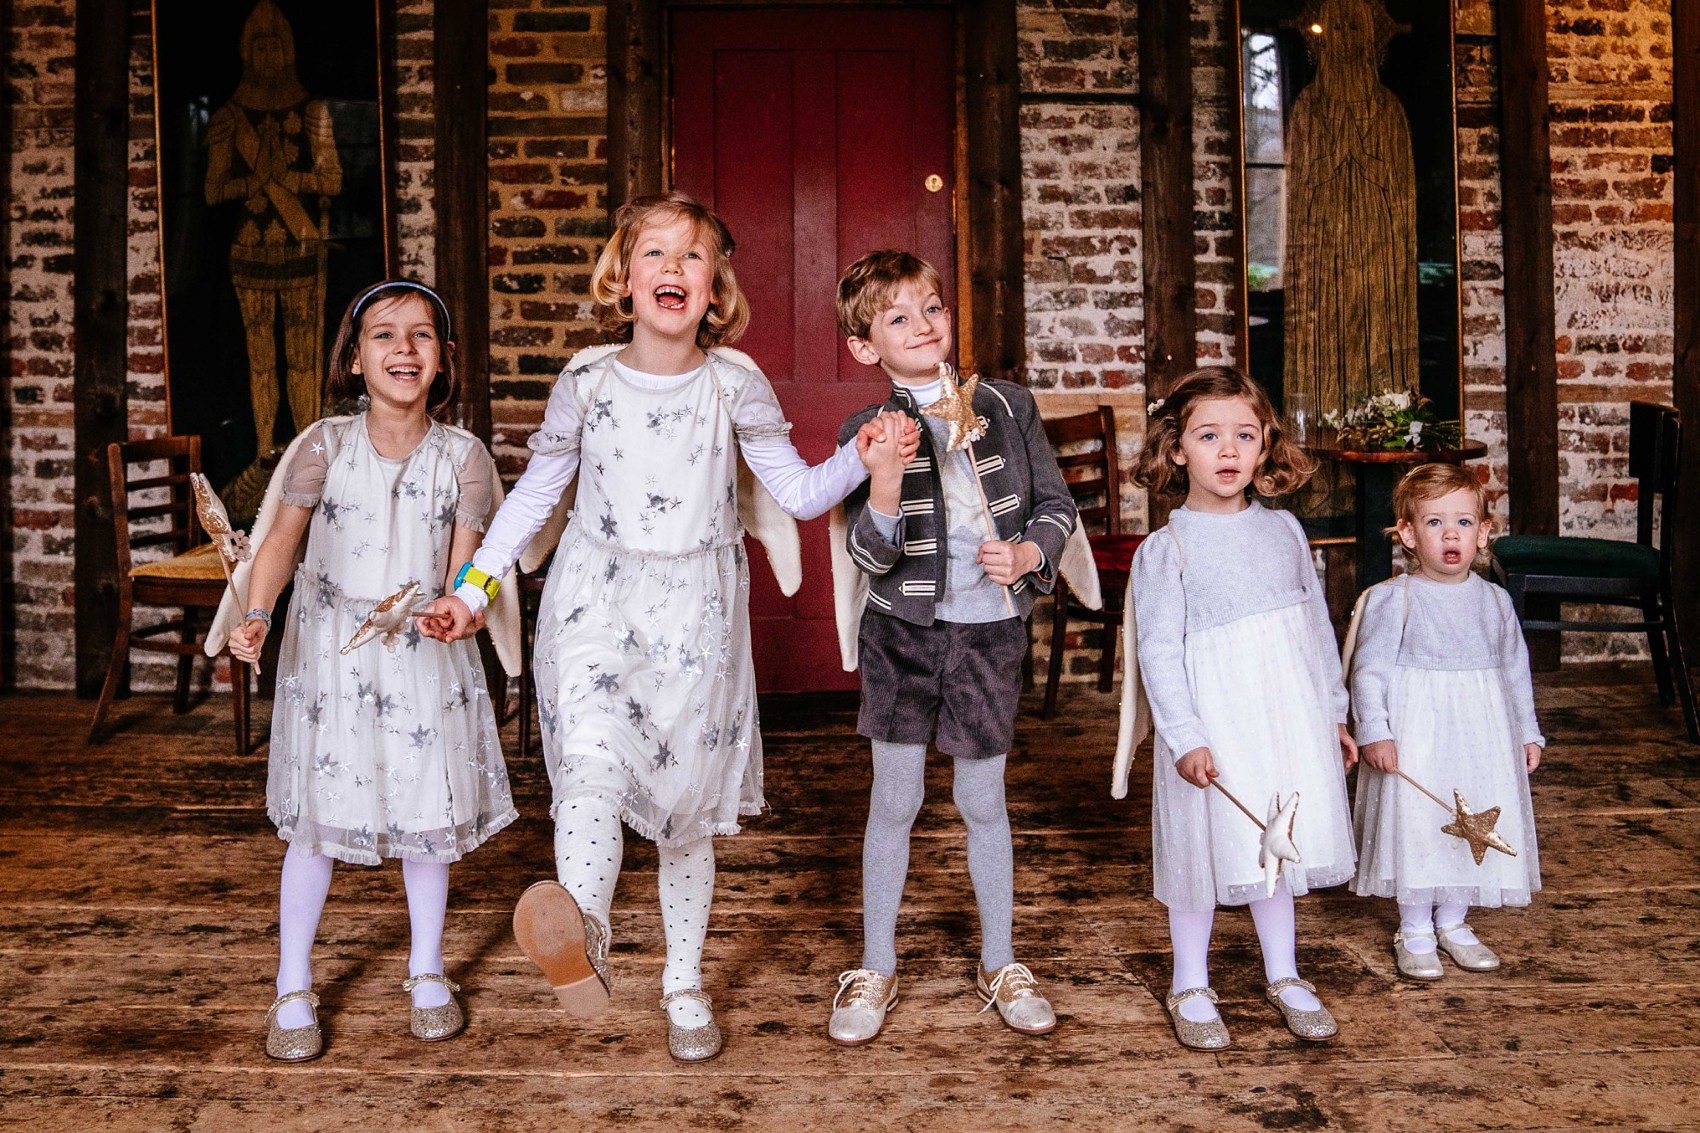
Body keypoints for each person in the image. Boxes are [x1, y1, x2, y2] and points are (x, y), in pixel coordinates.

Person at [427, 192, 915, 1063]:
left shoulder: (735, 383)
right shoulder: (586, 379)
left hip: (696, 614)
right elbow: (535, 498)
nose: (674, 271)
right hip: (596, 598)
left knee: (685, 810)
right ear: (623, 278)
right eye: (655, 254)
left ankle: (683, 981)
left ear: (715, 286)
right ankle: (584, 934)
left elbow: (800, 493)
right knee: (588, 764)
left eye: (693, 258)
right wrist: (469, 588)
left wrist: (864, 457)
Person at [219, 280, 516, 1061]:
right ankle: (292, 980)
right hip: (334, 658)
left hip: (420, 657)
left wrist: (461, 607)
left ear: (444, 360)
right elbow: (280, 541)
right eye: (384, 336)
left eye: (421, 336)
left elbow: (468, 568)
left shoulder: (465, 458)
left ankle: (426, 969)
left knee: (426, 814)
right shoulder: (324, 443)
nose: (404, 350)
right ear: (354, 359)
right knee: (319, 816)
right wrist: (258, 611)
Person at [825, 250, 1077, 1046]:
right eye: (897, 318)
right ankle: (875, 963)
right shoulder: (866, 431)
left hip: (989, 631)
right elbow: (868, 558)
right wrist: (888, 481)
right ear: (867, 348)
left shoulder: (1007, 404)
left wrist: (1031, 555)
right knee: (894, 802)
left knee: (982, 802)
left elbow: (1055, 505)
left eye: (931, 307)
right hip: (901, 634)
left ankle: (999, 959)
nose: (923, 325)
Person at [1126, 366, 1358, 1051]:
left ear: (1265, 448)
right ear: (1176, 449)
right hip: (1212, 722)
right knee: (1202, 849)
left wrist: (1335, 713)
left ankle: (1283, 972)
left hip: (1285, 715)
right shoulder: (1166, 550)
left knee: (1275, 838)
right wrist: (1185, 736)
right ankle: (1190, 980)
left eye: (1244, 436)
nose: (1227, 452)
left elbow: (1317, 628)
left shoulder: (1285, 532)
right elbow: (1160, 654)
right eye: (1208, 436)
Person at [1348, 463, 1543, 980]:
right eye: (1433, 523)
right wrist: (1376, 730)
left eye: (1462, 522)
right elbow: (1370, 670)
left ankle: (1454, 921)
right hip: (1418, 732)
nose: (1449, 533)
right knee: (1419, 819)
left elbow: (1514, 671)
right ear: (1408, 534)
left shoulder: (1495, 600)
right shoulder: (1396, 598)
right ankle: (1414, 926)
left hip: (1480, 731)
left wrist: (1527, 731)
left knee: (1471, 815)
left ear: (1483, 533)